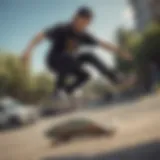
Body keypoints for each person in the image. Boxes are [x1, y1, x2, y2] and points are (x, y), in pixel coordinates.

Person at [22, 6, 132, 106]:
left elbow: (103, 44)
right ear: (77, 18)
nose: (85, 26)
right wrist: (28, 50)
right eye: (84, 22)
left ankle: (114, 79)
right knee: (67, 56)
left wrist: (121, 52)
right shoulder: (63, 28)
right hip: (53, 60)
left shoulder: (84, 35)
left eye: (87, 24)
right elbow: (41, 35)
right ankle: (58, 91)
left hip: (69, 62)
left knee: (86, 71)